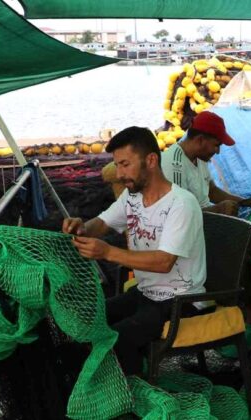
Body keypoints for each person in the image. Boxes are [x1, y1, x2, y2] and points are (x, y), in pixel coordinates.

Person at [62, 126, 210, 376]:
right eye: (117, 165)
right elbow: (102, 223)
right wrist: (81, 228)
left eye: (125, 165)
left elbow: (164, 262)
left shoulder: (181, 203)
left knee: (116, 342)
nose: (119, 174)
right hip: (146, 294)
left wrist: (107, 252)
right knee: (86, 321)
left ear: (151, 160)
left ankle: (130, 401)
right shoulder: (132, 197)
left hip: (181, 300)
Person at [160, 111, 251, 216]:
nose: (218, 151)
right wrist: (217, 210)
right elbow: (177, 215)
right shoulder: (174, 165)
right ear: (200, 140)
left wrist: (246, 202)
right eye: (216, 145)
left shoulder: (200, 158)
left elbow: (212, 191)